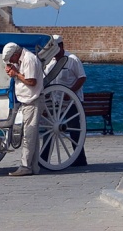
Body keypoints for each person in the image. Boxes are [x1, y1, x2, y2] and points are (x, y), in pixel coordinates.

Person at [2, 42, 44, 176]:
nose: (11, 62)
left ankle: (25, 166)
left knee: (29, 134)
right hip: (26, 100)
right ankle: (34, 166)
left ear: (16, 54)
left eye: (11, 59)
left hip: (33, 100)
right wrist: (13, 70)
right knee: (33, 135)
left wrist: (16, 74)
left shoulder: (29, 59)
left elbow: (32, 82)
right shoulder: (21, 59)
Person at [45, 35, 88, 166]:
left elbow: (81, 78)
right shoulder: (49, 62)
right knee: (49, 130)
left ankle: (80, 159)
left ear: (61, 46)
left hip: (71, 102)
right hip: (55, 101)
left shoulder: (72, 59)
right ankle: (43, 158)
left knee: (75, 130)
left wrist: (71, 92)